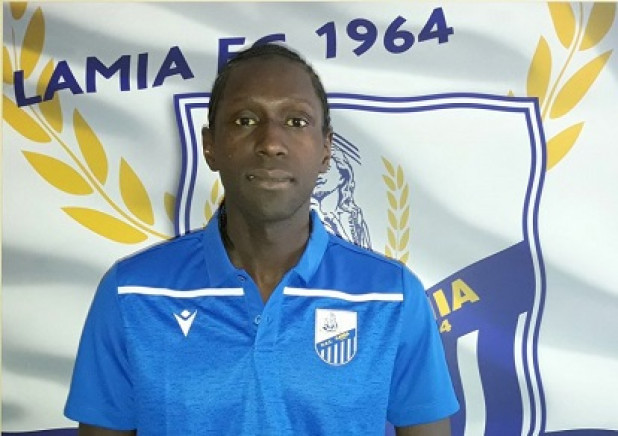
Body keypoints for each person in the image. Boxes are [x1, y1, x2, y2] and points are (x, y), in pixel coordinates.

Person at [64, 43, 459, 436]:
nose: (270, 143)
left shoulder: (392, 296)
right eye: (245, 120)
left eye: (296, 121)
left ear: (326, 150)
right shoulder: (131, 293)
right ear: (210, 146)